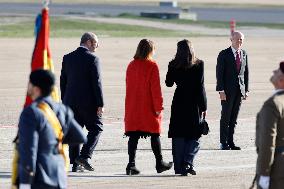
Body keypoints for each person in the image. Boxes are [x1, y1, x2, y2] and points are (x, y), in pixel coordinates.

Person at [18, 69, 87, 189]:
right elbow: (79, 136)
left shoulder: (31, 113)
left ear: (36, 89)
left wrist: (24, 183)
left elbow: (29, 151)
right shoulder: (63, 109)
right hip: (59, 176)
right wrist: (53, 144)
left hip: (40, 179)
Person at [124, 39, 172, 175]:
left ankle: (130, 164)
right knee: (154, 133)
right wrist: (158, 106)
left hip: (133, 105)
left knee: (133, 135)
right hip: (147, 105)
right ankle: (159, 163)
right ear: (150, 50)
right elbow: (155, 89)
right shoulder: (152, 65)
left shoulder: (131, 65)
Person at [60, 32, 104, 172]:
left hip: (70, 101)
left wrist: (65, 101)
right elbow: (96, 83)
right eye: (96, 43)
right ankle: (84, 156)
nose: (97, 46)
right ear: (89, 42)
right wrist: (100, 103)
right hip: (88, 103)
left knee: (75, 131)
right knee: (96, 128)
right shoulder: (93, 59)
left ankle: (75, 163)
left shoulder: (67, 58)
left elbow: (63, 82)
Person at [165, 39, 207, 176]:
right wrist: (204, 105)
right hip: (194, 102)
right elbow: (200, 87)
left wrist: (172, 68)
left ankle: (180, 167)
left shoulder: (173, 64)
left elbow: (169, 83)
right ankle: (188, 161)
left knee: (179, 134)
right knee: (194, 134)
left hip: (179, 101)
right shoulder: (199, 64)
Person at [216, 31, 249, 150]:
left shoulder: (244, 54)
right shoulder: (224, 54)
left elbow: (245, 73)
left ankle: (231, 142)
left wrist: (246, 90)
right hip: (227, 91)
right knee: (225, 117)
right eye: (237, 39)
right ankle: (223, 142)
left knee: (234, 118)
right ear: (231, 40)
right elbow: (219, 74)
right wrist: (221, 90)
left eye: (241, 39)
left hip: (239, 91)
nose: (239, 41)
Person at [254, 62, 284, 189]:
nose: (274, 71)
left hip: (277, 169)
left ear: (282, 80)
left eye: (278, 71)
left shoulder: (273, 104)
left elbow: (268, 142)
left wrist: (263, 173)